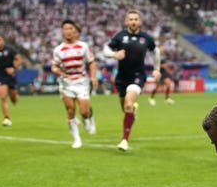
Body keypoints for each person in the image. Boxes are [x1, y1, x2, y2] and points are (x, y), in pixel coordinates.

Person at [104, 9, 161, 151]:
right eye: (131, 19)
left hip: (138, 76)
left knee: (128, 104)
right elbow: (106, 50)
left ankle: (124, 140)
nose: (133, 21)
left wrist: (157, 69)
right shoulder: (120, 36)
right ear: (126, 21)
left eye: (136, 19)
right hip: (122, 78)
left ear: (140, 21)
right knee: (126, 108)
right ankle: (132, 110)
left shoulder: (146, 38)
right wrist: (114, 54)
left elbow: (156, 51)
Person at [51, 19, 97, 149]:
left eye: (70, 28)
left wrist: (93, 77)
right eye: (65, 29)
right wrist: (58, 72)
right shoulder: (58, 50)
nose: (68, 31)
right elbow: (54, 66)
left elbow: (91, 62)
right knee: (70, 110)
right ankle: (77, 139)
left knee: (84, 112)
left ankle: (89, 116)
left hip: (81, 81)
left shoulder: (83, 46)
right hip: (66, 83)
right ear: (62, 32)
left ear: (74, 31)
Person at [0, 35, 21, 126]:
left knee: (13, 99)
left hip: (11, 76)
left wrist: (13, 68)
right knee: (3, 97)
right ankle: (6, 118)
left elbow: (19, 59)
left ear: (3, 41)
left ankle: (15, 96)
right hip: (1, 76)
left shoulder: (10, 50)